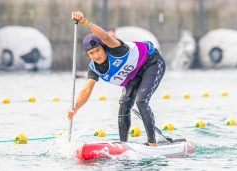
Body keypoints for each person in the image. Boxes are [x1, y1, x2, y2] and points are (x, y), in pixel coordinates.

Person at [67, 11, 166, 147]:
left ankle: (152, 144)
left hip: (151, 62)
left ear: (103, 47)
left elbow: (105, 36)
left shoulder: (116, 49)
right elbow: (86, 90)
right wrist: (75, 107)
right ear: (87, 55)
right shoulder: (94, 68)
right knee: (124, 104)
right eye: (91, 53)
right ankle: (123, 146)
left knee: (141, 100)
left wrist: (85, 22)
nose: (96, 55)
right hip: (134, 74)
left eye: (98, 50)